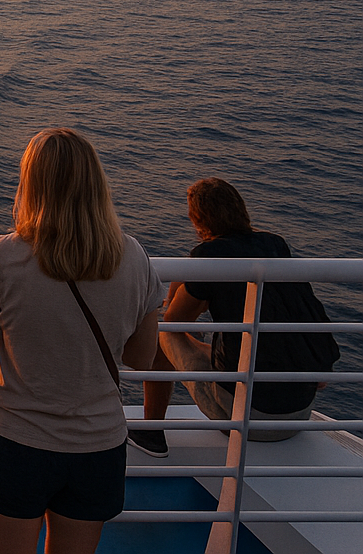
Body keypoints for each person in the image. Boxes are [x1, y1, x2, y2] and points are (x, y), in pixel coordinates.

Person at [0, 128, 162, 554]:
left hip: (16, 441)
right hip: (96, 447)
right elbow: (142, 357)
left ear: (31, 184)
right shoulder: (135, 259)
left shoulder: (5, 253)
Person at [129, 178, 337, 456]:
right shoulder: (274, 245)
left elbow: (176, 319)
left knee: (163, 334)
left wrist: (187, 273)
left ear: (197, 218)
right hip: (298, 415)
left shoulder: (209, 256)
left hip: (247, 419)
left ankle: (152, 434)